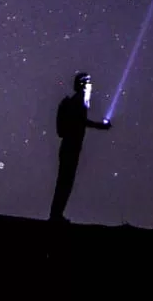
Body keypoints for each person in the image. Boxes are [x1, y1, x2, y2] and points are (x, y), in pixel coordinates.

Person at [49, 71, 111, 223]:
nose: (91, 85)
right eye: (88, 82)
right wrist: (101, 126)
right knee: (65, 181)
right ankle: (56, 215)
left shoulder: (77, 100)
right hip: (71, 146)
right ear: (83, 84)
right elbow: (80, 121)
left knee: (64, 181)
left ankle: (56, 214)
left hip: (70, 146)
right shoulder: (79, 100)